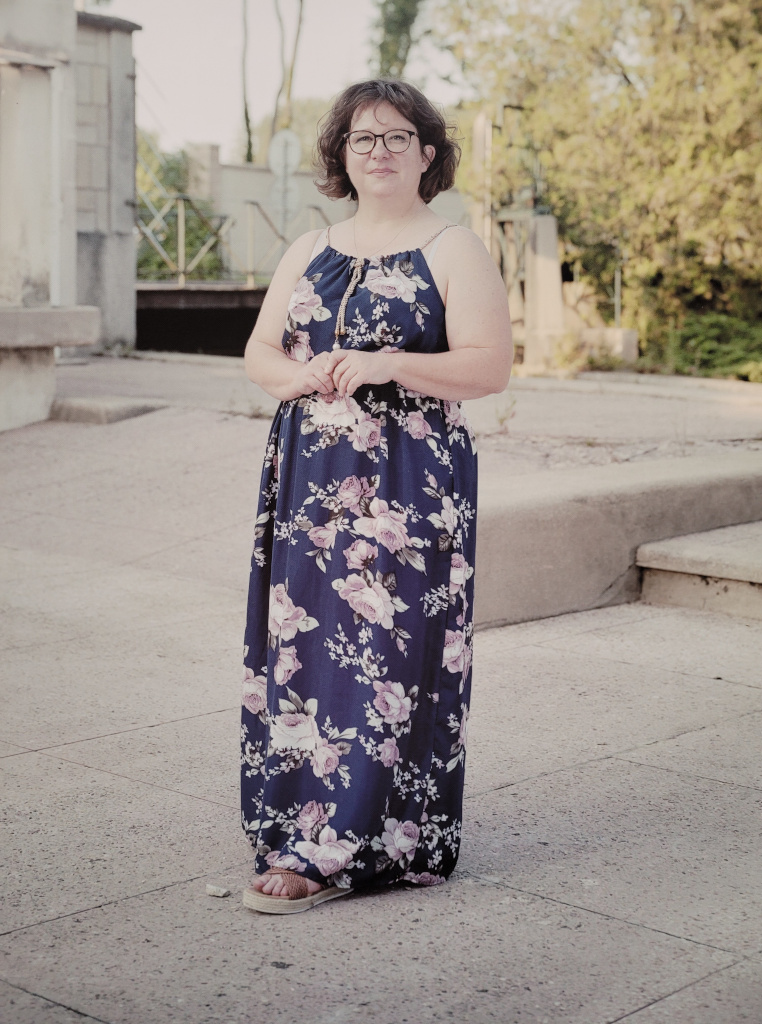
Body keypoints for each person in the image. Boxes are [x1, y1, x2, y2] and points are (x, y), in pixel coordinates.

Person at [240, 79, 512, 914]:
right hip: (309, 480)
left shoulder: (452, 247)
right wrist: (300, 373)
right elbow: (258, 353)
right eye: (363, 139)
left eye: (399, 138)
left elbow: (489, 367)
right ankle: (302, 819)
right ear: (341, 156)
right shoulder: (309, 247)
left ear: (429, 155)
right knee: (304, 650)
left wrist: (391, 363)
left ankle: (348, 845)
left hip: (407, 485)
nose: (380, 151)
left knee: (387, 653)